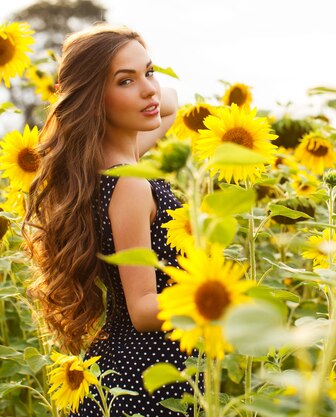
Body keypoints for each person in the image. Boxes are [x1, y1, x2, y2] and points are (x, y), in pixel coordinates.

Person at [24, 24, 192, 416]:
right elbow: (144, 308)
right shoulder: (129, 185)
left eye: (149, 72)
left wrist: (134, 84)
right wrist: (215, 299)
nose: (150, 90)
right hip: (148, 379)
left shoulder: (105, 165)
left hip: (131, 369)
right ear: (95, 98)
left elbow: (170, 104)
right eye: (124, 81)